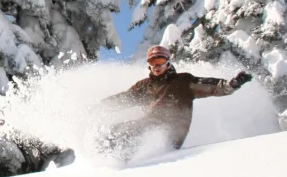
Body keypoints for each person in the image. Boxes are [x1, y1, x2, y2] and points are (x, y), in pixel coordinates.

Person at [100, 45, 252, 151]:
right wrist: (100, 107)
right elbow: (125, 98)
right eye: (153, 62)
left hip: (172, 130)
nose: (156, 66)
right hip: (148, 124)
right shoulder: (145, 86)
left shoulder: (183, 82)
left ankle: (122, 155)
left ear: (167, 62)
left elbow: (211, 86)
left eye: (160, 62)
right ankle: (103, 157)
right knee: (116, 130)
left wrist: (231, 84)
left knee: (137, 131)